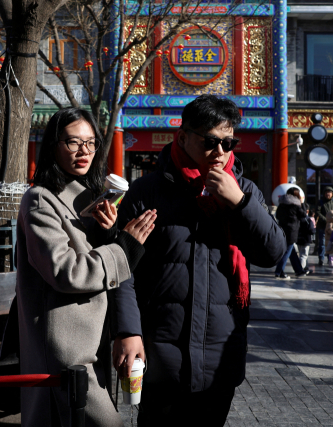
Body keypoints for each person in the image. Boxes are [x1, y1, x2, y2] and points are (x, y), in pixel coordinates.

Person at [112, 95, 285, 427]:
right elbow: (123, 270)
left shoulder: (244, 190)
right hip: (162, 350)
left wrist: (240, 203)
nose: (220, 151)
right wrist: (128, 330)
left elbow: (272, 252)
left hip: (221, 351)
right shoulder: (147, 192)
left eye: (228, 142)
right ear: (183, 137)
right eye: (210, 141)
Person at [16, 107, 157, 426]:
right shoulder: (40, 200)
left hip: (94, 339)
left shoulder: (94, 199)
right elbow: (66, 271)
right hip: (65, 345)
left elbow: (102, 262)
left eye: (91, 143)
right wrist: (123, 247)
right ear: (53, 146)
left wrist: (110, 232)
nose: (84, 151)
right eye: (72, 142)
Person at [274, 187, 310, 279]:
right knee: (287, 251)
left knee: (292, 251)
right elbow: (304, 215)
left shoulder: (282, 203)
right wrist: (302, 203)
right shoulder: (296, 205)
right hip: (292, 231)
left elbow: (277, 215)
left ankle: (299, 270)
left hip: (282, 229)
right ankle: (279, 272)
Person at [316, 186, 333, 266]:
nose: (328, 194)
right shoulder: (320, 202)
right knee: (322, 243)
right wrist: (326, 219)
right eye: (326, 192)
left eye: (329, 192)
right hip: (322, 226)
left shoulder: (332, 202)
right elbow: (318, 212)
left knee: (330, 243)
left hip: (331, 227)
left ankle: (330, 259)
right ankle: (321, 258)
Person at [297, 207, 316, 271]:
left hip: (299, 239)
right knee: (304, 255)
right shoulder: (308, 219)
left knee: (301, 254)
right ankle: (301, 269)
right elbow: (312, 230)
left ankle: (304, 267)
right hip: (306, 240)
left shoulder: (298, 219)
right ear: (307, 211)